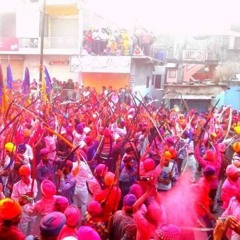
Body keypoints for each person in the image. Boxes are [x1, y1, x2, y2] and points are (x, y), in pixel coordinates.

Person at [11, 165, 38, 236]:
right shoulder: (16, 186)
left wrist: (33, 195)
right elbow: (13, 199)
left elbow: (36, 192)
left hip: (33, 210)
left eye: (24, 175)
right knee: (22, 233)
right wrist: (21, 200)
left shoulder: (34, 182)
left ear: (29, 174)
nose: (22, 177)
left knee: (31, 231)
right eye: (21, 175)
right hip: (23, 214)